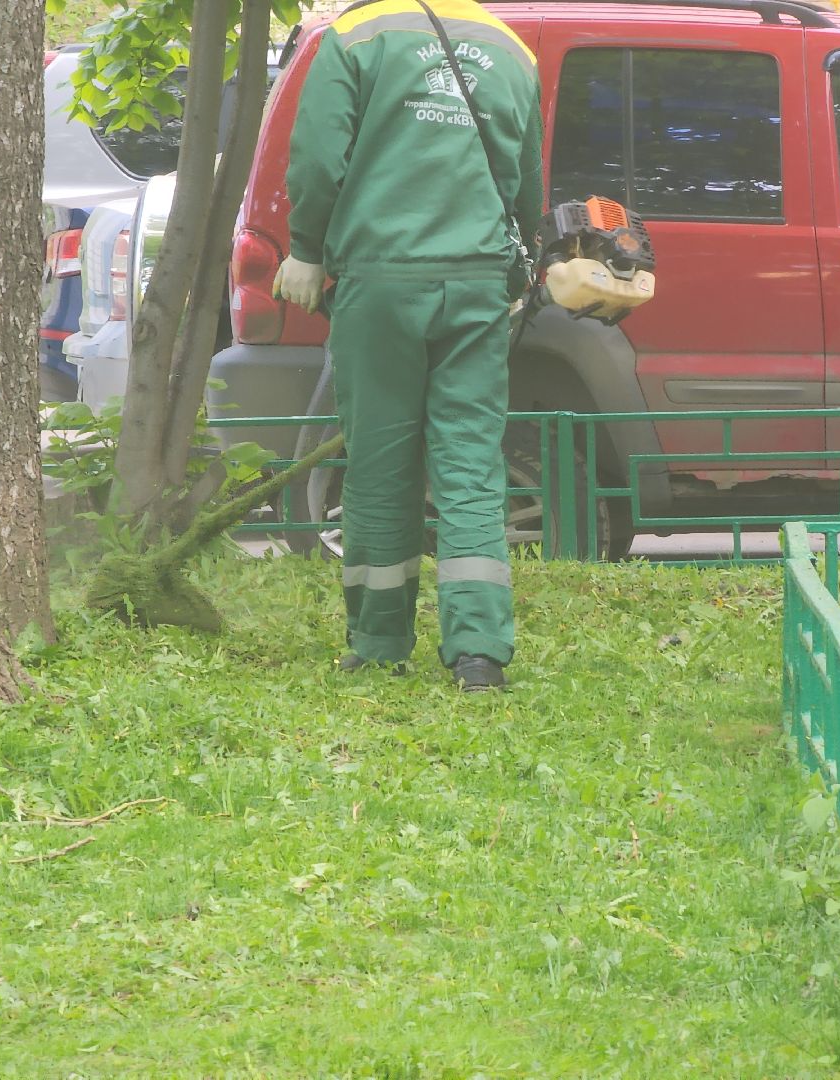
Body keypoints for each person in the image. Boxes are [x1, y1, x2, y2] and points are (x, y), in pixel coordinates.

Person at [275, 0, 544, 691]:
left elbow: (316, 162)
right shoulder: (512, 49)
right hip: (479, 280)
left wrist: (306, 248)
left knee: (380, 462)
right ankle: (480, 652)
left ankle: (379, 640)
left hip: (381, 278)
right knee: (470, 465)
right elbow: (526, 186)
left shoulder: (354, 38)